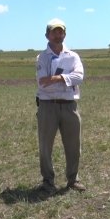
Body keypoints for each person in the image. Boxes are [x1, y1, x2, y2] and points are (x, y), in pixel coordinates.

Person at [35, 18, 86, 194]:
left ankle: (73, 180)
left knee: (74, 145)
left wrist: (57, 78)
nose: (58, 35)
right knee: (45, 146)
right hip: (47, 106)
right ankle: (48, 181)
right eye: (54, 31)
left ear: (64, 34)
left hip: (70, 106)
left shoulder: (73, 56)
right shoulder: (42, 57)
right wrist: (68, 78)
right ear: (47, 35)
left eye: (60, 31)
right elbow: (42, 83)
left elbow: (79, 77)